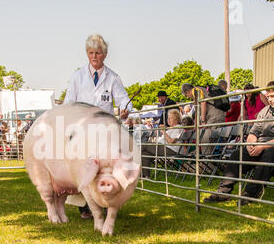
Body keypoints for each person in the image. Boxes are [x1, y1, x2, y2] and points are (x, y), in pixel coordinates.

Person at [64, 33, 132, 219]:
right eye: (91, 52)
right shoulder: (77, 76)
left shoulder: (113, 78)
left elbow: (124, 100)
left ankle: (107, 201)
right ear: (87, 54)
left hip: (104, 130)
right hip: (82, 128)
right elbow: (69, 101)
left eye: (98, 53)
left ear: (105, 54)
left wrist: (125, 109)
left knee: (105, 167)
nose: (94, 56)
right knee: (82, 168)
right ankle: (84, 205)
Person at [204, 78, 274, 205]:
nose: (270, 99)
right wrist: (251, 143)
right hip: (261, 145)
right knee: (237, 155)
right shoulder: (265, 111)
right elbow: (254, 132)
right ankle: (223, 192)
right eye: (268, 96)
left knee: (269, 155)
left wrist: (261, 146)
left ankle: (250, 194)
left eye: (273, 96)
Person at [181, 83, 225, 154]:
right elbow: (198, 110)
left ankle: (207, 159)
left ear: (187, 92)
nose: (188, 97)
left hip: (214, 117)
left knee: (206, 138)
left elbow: (203, 102)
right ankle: (209, 158)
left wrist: (203, 120)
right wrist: (196, 124)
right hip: (218, 115)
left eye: (186, 95)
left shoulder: (196, 90)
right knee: (211, 139)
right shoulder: (201, 90)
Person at [141, 109, 184, 178]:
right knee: (145, 153)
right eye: (168, 118)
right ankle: (145, 176)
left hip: (171, 150)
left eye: (170, 118)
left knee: (144, 145)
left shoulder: (179, 128)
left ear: (176, 119)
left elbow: (171, 141)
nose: (168, 120)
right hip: (163, 147)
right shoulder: (171, 129)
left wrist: (164, 132)